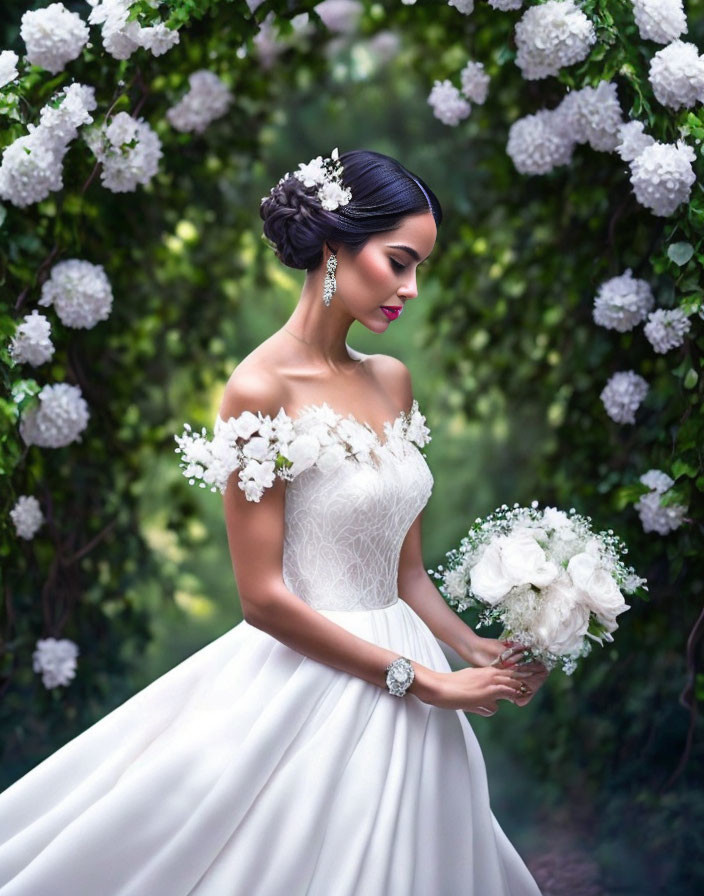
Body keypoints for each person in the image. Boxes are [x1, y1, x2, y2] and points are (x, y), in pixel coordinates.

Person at [0, 148, 548, 895]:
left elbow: (405, 572)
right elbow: (260, 599)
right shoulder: (259, 388)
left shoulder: (392, 380)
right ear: (333, 246)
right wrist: (422, 681)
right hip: (314, 681)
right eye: (398, 262)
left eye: (421, 267)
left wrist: (472, 648)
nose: (412, 288)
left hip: (417, 676)